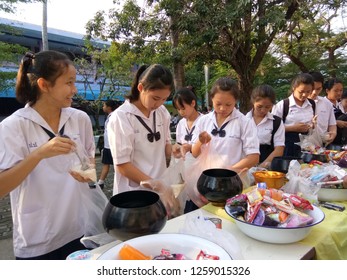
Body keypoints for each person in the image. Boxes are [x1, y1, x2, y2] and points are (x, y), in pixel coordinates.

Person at [0, 50, 96, 260]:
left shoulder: (79, 119)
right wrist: (39, 154)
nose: (75, 89)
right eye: (69, 82)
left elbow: (89, 160)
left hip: (78, 229)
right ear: (44, 85)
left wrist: (88, 171)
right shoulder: (13, 127)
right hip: (39, 238)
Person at [107, 64, 179, 217]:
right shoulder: (122, 117)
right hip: (133, 195)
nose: (159, 103)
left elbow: (165, 143)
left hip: (159, 190)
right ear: (141, 88)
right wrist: (155, 184)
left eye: (164, 99)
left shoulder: (161, 112)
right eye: (155, 98)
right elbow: (122, 165)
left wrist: (174, 149)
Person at [186, 77, 260, 212]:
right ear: (211, 99)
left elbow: (253, 157)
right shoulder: (203, 121)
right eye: (218, 103)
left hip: (233, 182)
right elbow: (195, 153)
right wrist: (201, 141)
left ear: (235, 101)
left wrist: (227, 173)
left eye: (228, 104)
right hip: (207, 183)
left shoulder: (244, 122)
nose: (222, 108)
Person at [272, 73, 317, 157]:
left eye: (308, 92)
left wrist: (313, 125)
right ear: (294, 88)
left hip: (307, 146)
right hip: (287, 145)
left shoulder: (312, 104)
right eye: (301, 91)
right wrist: (293, 128)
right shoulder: (283, 104)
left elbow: (312, 124)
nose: (304, 95)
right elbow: (272, 128)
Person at [245, 84, 285, 168]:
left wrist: (262, 166)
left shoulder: (276, 122)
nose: (263, 110)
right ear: (253, 102)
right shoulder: (243, 120)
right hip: (244, 162)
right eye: (259, 106)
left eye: (268, 107)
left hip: (266, 163)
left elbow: (279, 148)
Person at [307, 71, 337, 146]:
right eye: (312, 88)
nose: (314, 92)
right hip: (300, 146)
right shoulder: (296, 104)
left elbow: (332, 125)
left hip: (321, 146)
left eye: (318, 89)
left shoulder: (327, 104)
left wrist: (333, 134)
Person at [95, 99, 118, 189]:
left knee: (116, 165)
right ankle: (101, 182)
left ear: (109, 107)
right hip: (108, 146)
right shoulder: (110, 116)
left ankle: (118, 182)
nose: (103, 107)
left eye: (104, 105)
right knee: (106, 163)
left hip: (113, 146)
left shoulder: (115, 116)